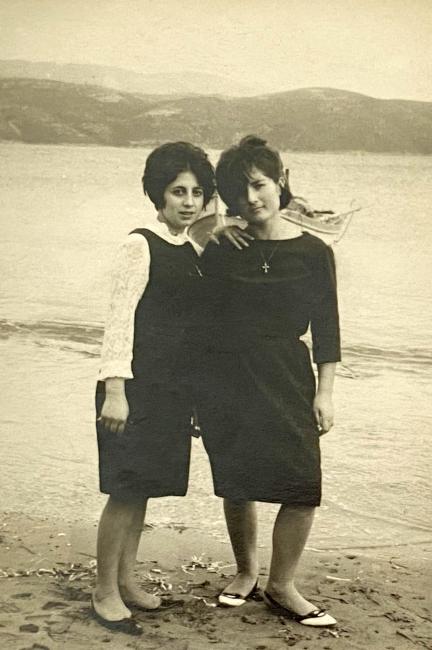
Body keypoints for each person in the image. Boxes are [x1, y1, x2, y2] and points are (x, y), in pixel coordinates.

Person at [198, 136, 341, 627]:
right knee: (237, 481)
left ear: (280, 181)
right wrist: (214, 231)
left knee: (302, 485)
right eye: (238, 192)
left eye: (258, 185)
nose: (251, 199)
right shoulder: (223, 248)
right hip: (226, 373)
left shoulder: (315, 251)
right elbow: (200, 318)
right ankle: (245, 573)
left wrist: (324, 392)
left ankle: (282, 585)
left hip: (287, 373)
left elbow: (327, 328)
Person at [92, 142, 217, 635]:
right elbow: (119, 320)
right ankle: (103, 590)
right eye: (177, 191)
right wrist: (115, 388)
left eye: (196, 193)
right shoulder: (139, 243)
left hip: (171, 389)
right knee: (124, 490)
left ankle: (126, 579)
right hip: (134, 388)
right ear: (157, 194)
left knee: (143, 490)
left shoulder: (191, 248)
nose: (188, 201)